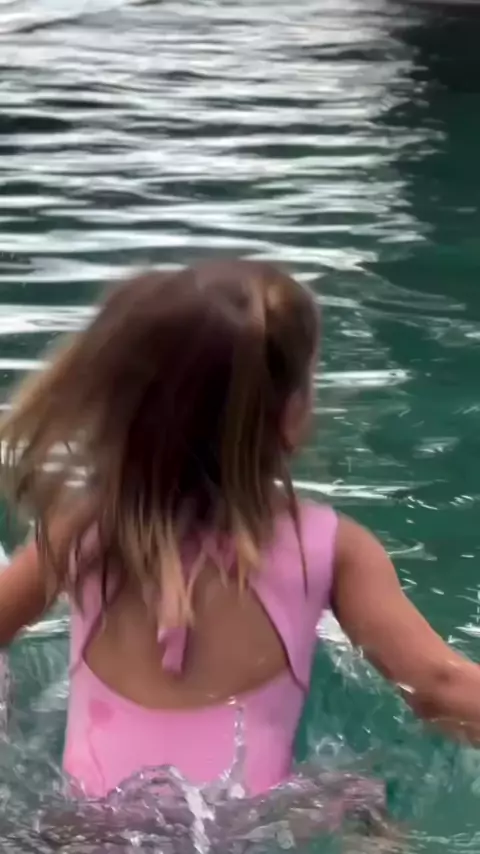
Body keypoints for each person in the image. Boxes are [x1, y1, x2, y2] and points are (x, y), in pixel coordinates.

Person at [0, 259, 479, 800]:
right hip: (240, 829)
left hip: (79, 831)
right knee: (358, 797)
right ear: (290, 416)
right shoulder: (328, 550)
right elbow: (439, 688)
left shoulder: (82, 533)